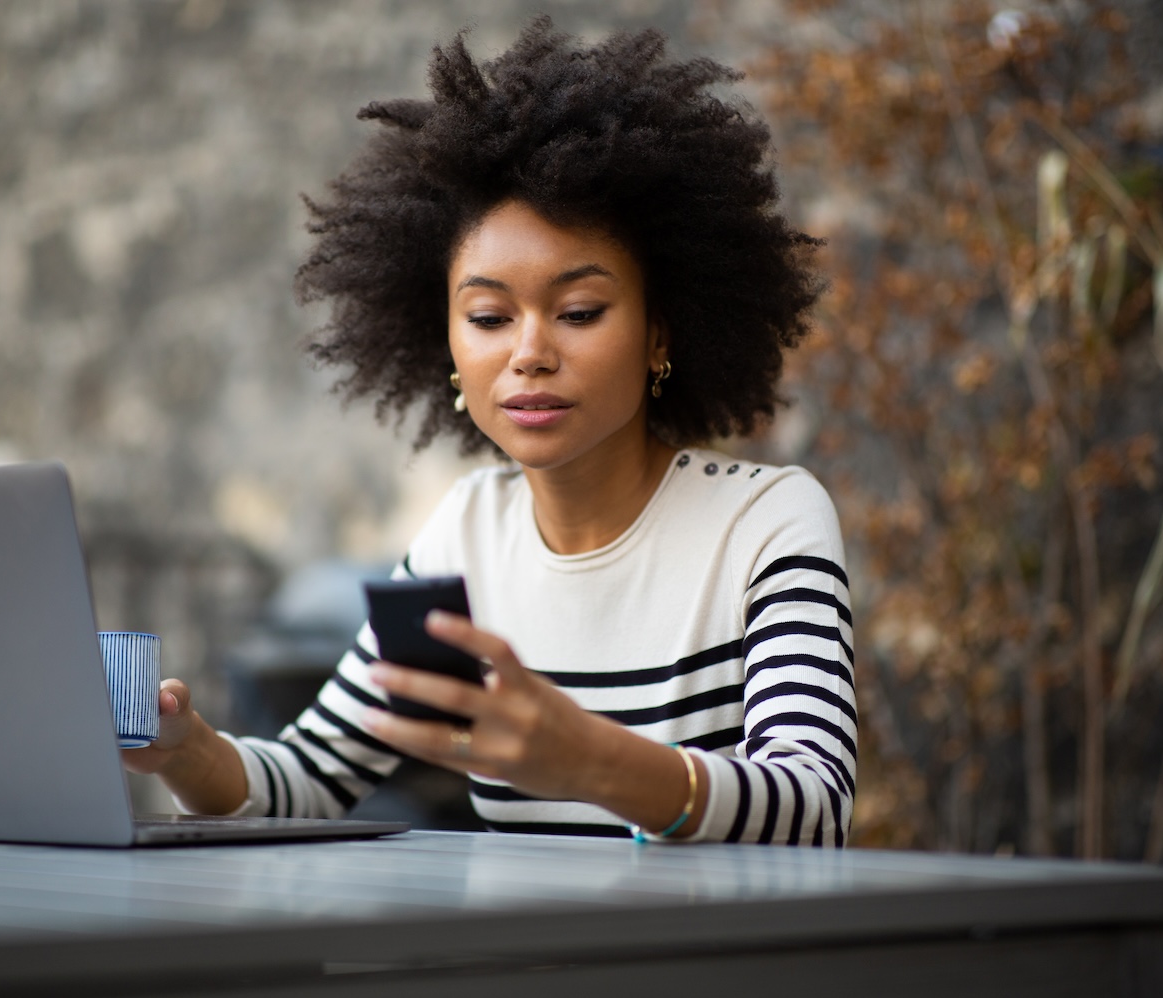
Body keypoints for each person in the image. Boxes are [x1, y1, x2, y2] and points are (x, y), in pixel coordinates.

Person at [123, 18, 855, 845]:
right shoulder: (466, 534)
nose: (530, 352)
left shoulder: (766, 523)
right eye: (488, 316)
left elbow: (813, 805)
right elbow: (307, 782)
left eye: (579, 311)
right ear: (447, 343)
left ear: (660, 333)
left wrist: (588, 760)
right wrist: (185, 751)